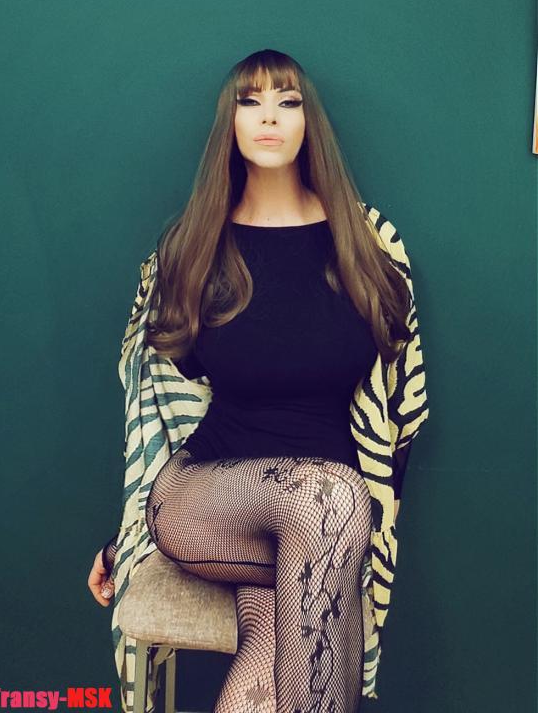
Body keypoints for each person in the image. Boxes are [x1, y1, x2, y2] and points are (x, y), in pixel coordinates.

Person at [87, 49, 429, 713]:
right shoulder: (193, 246)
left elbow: (400, 415)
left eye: (287, 101)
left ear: (308, 123)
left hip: (321, 523)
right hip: (203, 496)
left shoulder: (366, 244)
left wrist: (361, 537)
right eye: (251, 102)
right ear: (231, 123)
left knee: (275, 656)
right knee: (331, 500)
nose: (269, 116)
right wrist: (126, 537)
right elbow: (154, 412)